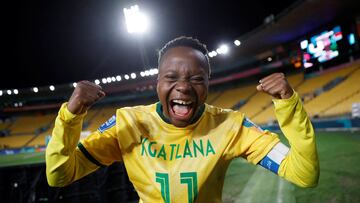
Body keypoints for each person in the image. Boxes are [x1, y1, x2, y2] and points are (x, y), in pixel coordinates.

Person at [46, 36, 319, 203]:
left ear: (208, 84)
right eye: (171, 77)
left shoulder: (231, 126)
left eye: (197, 79)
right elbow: (59, 175)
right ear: (157, 84)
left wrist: (288, 104)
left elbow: (304, 174)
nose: (184, 87)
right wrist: (70, 116)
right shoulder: (127, 124)